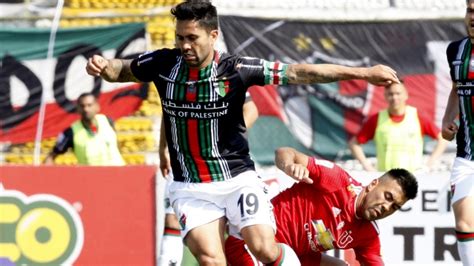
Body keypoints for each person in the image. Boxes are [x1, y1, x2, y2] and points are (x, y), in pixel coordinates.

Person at [85, 1, 399, 264]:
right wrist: (102, 64)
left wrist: (362, 73)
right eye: (180, 37)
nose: (184, 45)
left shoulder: (237, 69)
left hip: (236, 178)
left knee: (263, 248)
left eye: (192, 38)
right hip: (190, 184)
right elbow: (120, 71)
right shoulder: (165, 63)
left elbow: (299, 72)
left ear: (213, 35)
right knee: (210, 259)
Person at [226, 147, 418, 266]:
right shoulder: (337, 180)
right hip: (255, 242)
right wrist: (289, 166)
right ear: (373, 184)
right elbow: (284, 152)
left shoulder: (368, 234)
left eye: (394, 206)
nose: (386, 207)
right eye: (387, 196)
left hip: (290, 256)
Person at [158, 94, 259, 266]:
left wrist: (227, 138)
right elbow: (168, 111)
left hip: (224, 166)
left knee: (250, 238)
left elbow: (251, 109)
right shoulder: (172, 72)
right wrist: (163, 147)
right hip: (184, 164)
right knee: (173, 221)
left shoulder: (226, 70)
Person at [348, 82, 447, 172]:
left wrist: (429, 164)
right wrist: (367, 167)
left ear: (406, 95)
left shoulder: (417, 116)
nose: (394, 97)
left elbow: (443, 139)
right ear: (385, 96)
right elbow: (354, 143)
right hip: (386, 179)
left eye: (398, 93)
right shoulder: (377, 119)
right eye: (391, 94)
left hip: (414, 179)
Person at [442, 1, 474, 264]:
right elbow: (457, 87)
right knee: (464, 224)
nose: (473, 17)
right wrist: (447, 119)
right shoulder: (455, 50)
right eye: (471, 10)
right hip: (466, 155)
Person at [44, 92, 125, 166]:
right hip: (92, 178)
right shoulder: (70, 132)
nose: (86, 109)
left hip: (117, 174)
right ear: (78, 109)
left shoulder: (108, 121)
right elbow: (51, 157)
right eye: (82, 106)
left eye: (89, 105)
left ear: (97, 106)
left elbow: (116, 146)